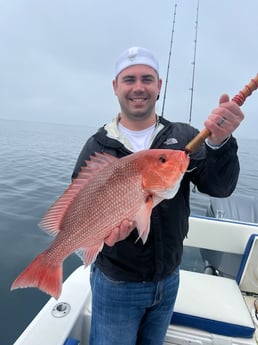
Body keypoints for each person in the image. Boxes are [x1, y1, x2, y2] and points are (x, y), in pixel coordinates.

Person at [72, 46, 244, 345]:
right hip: (116, 285)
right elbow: (79, 210)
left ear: (159, 85)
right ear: (116, 87)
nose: (138, 87)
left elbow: (220, 188)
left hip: (168, 280)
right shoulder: (98, 146)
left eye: (147, 79)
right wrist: (99, 241)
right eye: (129, 79)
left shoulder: (184, 136)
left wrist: (220, 142)